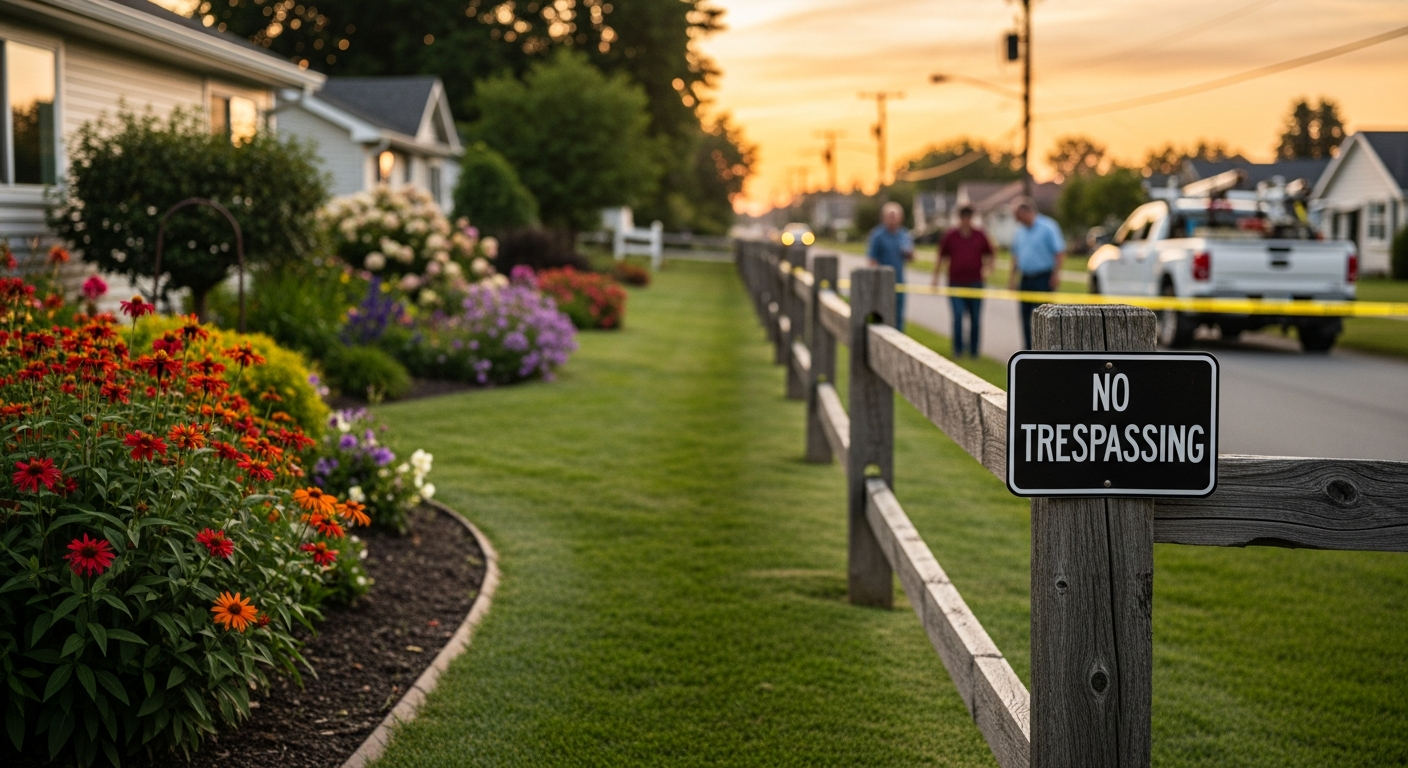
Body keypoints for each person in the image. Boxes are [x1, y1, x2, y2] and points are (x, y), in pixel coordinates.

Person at [934, 206, 994, 358]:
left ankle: (974, 351)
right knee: (958, 316)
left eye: (968, 217)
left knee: (975, 318)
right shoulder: (951, 235)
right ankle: (958, 350)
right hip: (956, 282)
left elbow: (991, 253)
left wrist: (988, 268)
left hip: (975, 282)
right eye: (963, 217)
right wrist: (935, 277)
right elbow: (941, 256)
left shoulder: (980, 235)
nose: (966, 220)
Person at [1007, 197, 1066, 349]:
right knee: (1025, 317)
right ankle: (1029, 349)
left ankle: (1046, 348)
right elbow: (1016, 256)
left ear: (1027, 212)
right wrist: (1012, 278)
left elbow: (1059, 253)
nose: (1016, 220)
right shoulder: (1020, 231)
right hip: (1025, 278)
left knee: (1045, 316)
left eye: (1018, 216)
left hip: (1043, 277)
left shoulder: (1048, 227)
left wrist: (1056, 274)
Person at [866, 201, 913, 329]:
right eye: (890, 215)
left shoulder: (904, 234)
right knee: (882, 315)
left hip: (899, 281)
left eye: (895, 215)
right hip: (882, 282)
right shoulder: (877, 235)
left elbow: (911, 257)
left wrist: (909, 253)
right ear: (884, 217)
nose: (892, 219)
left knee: (898, 316)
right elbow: (872, 259)